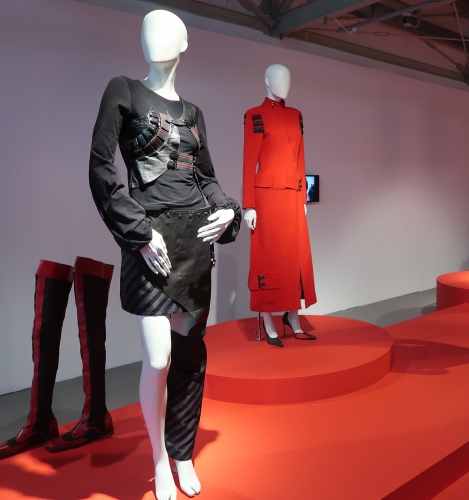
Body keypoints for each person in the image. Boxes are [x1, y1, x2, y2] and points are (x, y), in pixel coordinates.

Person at [88, 10, 240, 499]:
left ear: (185, 42)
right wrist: (137, 232)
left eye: (167, 28)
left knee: (189, 356)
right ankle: (158, 458)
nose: (154, 36)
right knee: (158, 358)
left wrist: (227, 211)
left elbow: (206, 177)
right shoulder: (124, 90)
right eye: (147, 27)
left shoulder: (193, 112)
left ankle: (182, 452)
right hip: (151, 242)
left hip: (195, 241)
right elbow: (101, 165)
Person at [242, 64, 317, 347]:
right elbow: (249, 162)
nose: (284, 83)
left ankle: (293, 317)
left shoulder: (296, 115)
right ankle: (268, 318)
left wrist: (303, 197)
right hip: (267, 199)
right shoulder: (255, 115)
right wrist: (249, 205)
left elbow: (301, 159)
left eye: (288, 78)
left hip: (292, 198)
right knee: (268, 258)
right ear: (266, 80)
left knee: (295, 258)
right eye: (278, 78)